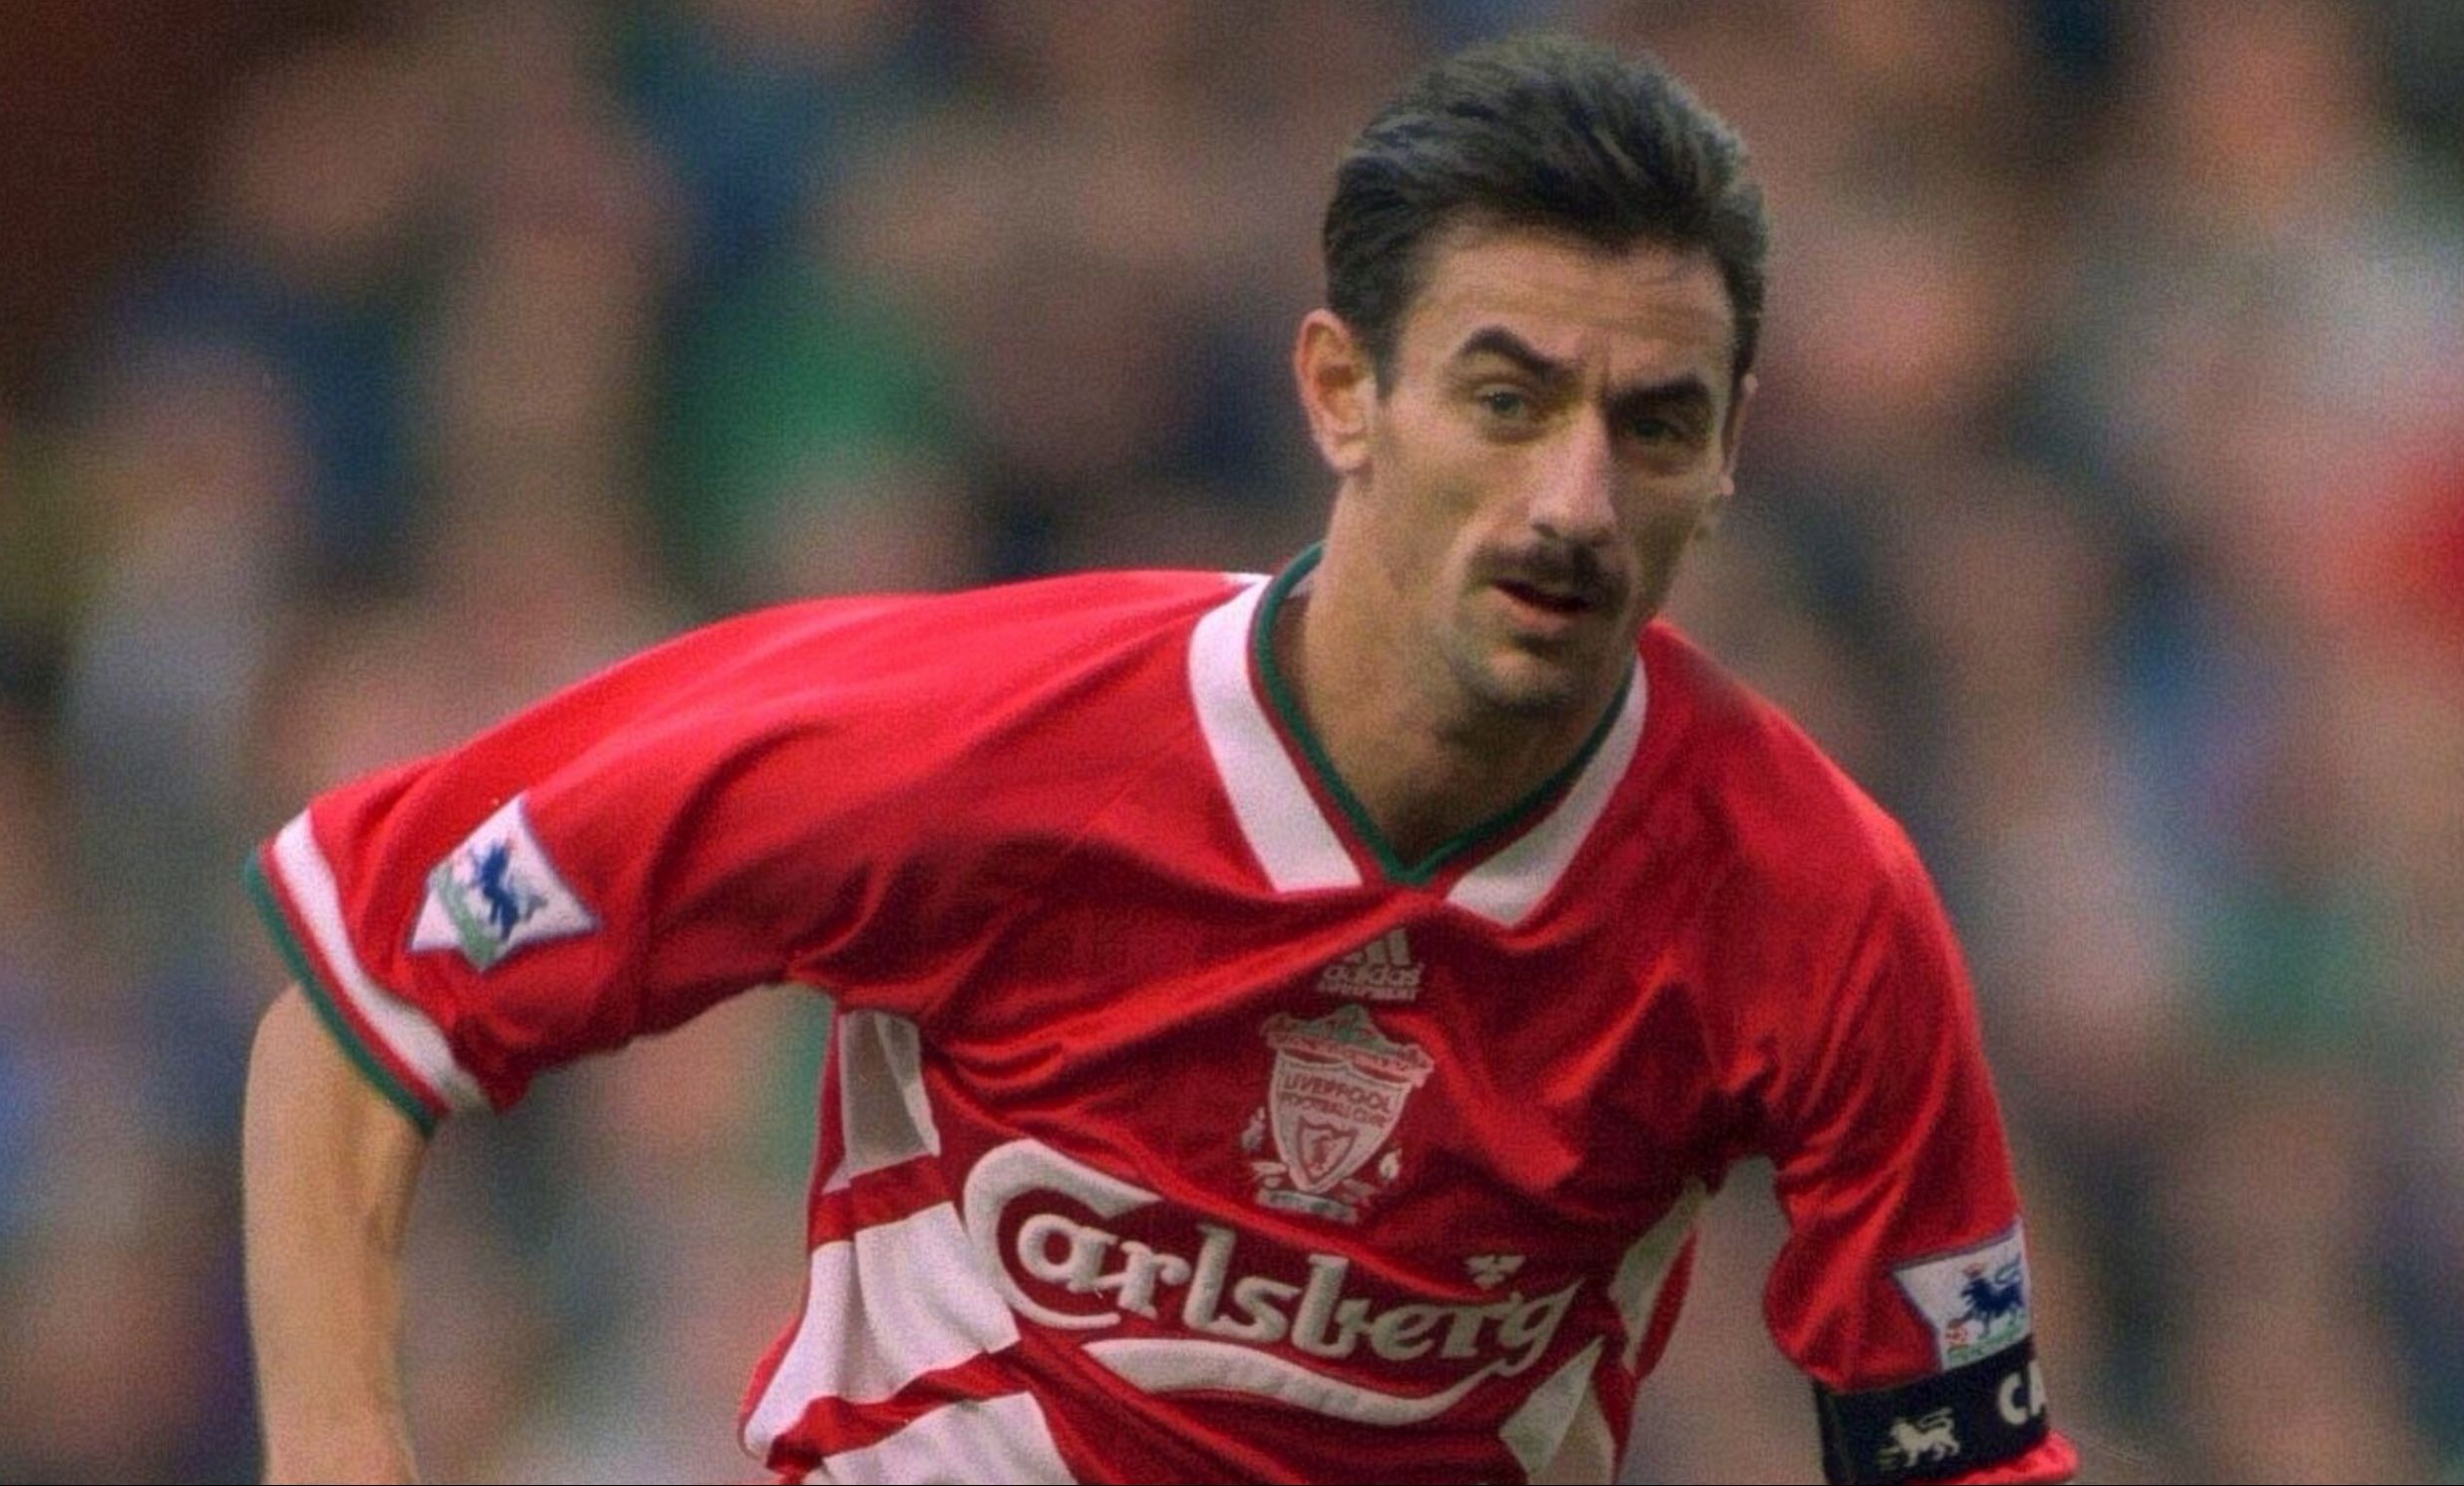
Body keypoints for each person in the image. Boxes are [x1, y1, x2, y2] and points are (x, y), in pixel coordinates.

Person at [242, 33, 2079, 1485]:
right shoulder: (967, 744)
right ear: (1342, 391)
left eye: (1654, 424)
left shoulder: (1811, 904)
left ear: (1733, 446)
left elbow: (1955, 1453)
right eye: (1506, 401)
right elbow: (363, 1008)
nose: (1575, 501)